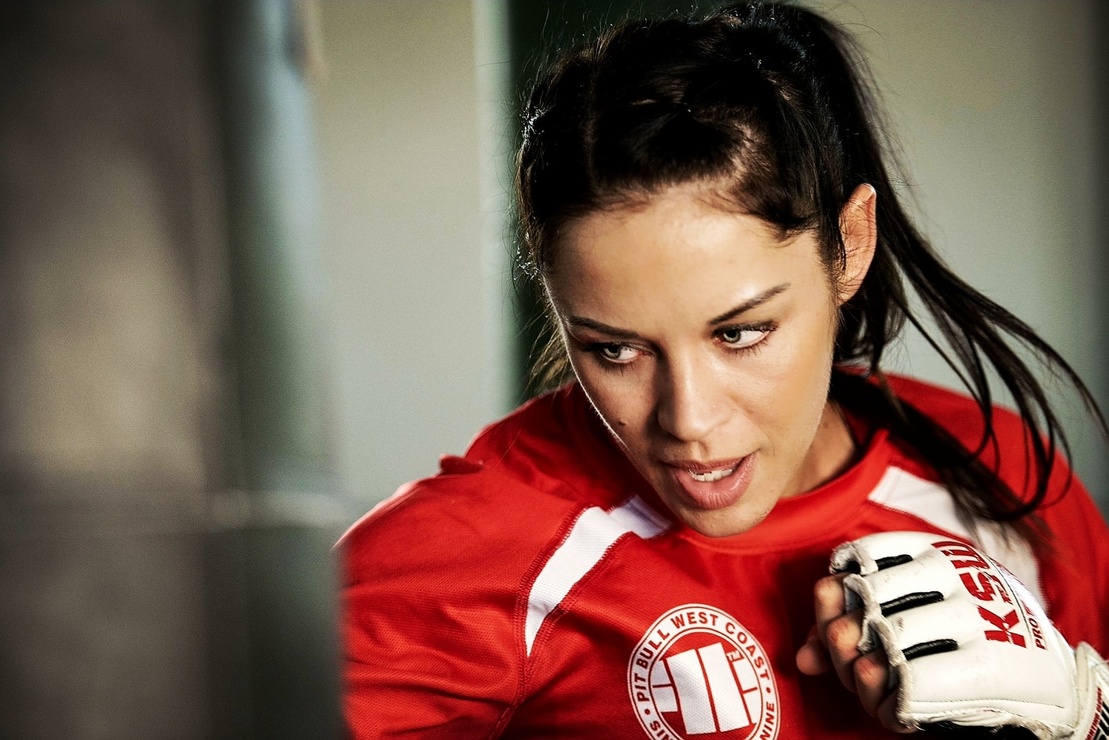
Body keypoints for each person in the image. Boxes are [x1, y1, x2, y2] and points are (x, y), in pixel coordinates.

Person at [339, 2, 1109, 737]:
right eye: (614, 349)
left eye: (739, 333)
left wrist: (1082, 715)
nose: (688, 420)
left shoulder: (997, 473)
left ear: (850, 245)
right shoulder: (480, 554)